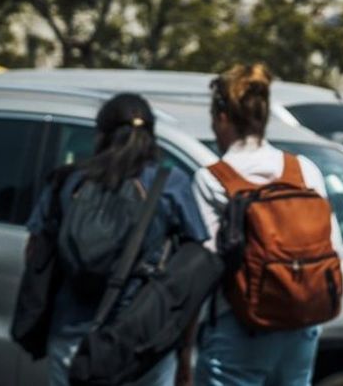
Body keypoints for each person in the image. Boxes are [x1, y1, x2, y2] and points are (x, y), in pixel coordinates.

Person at [25, 93, 208, 386]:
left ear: (100, 135)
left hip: (72, 339)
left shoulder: (68, 181)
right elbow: (192, 275)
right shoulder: (170, 185)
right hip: (142, 344)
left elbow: (35, 254)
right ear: (151, 136)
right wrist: (184, 351)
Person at [191, 63, 343, 386]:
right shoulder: (303, 170)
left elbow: (206, 265)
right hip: (301, 328)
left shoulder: (212, 179)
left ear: (221, 117)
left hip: (239, 328)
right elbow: (335, 249)